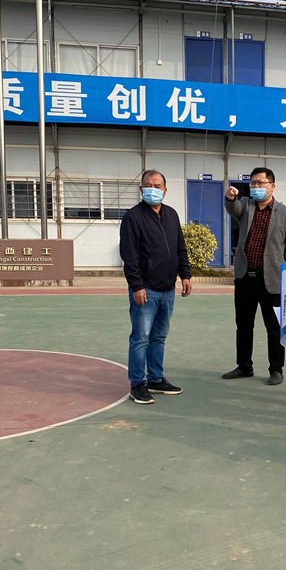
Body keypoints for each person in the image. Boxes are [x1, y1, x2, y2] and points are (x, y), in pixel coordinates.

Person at [222, 167, 286, 385]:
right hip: (245, 277)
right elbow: (233, 208)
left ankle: (276, 369)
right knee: (243, 325)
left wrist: (280, 266)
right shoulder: (246, 206)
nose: (255, 187)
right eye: (253, 183)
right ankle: (244, 366)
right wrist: (230, 198)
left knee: (273, 328)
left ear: (272, 186)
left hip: (272, 280)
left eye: (260, 183)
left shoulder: (285, 214)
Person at [120, 170, 192, 404]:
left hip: (167, 289)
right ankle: (137, 384)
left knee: (159, 337)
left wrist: (186, 275)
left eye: (157, 186)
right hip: (146, 290)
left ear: (165, 190)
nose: (153, 189)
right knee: (140, 338)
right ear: (141, 189)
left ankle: (156, 379)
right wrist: (137, 286)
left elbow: (180, 248)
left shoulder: (171, 214)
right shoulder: (133, 217)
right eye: (148, 185)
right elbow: (129, 255)